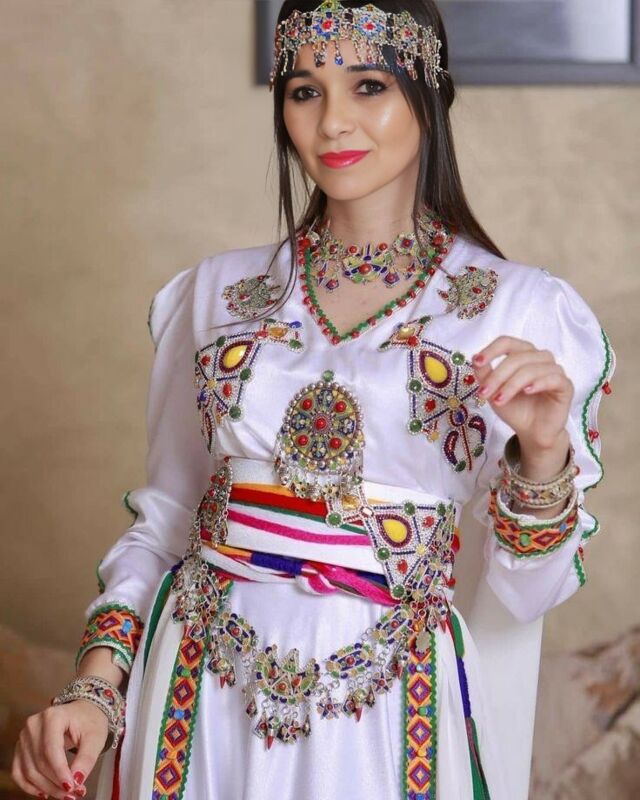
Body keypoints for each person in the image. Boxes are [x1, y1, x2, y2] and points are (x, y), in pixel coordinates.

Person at [12, 1, 616, 798]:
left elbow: (528, 591)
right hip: (197, 697)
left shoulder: (518, 308)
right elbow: (167, 519)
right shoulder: (216, 294)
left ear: (427, 93)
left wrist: (541, 456)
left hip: (384, 716)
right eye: (305, 91)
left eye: (368, 86)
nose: (333, 122)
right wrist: (94, 689)